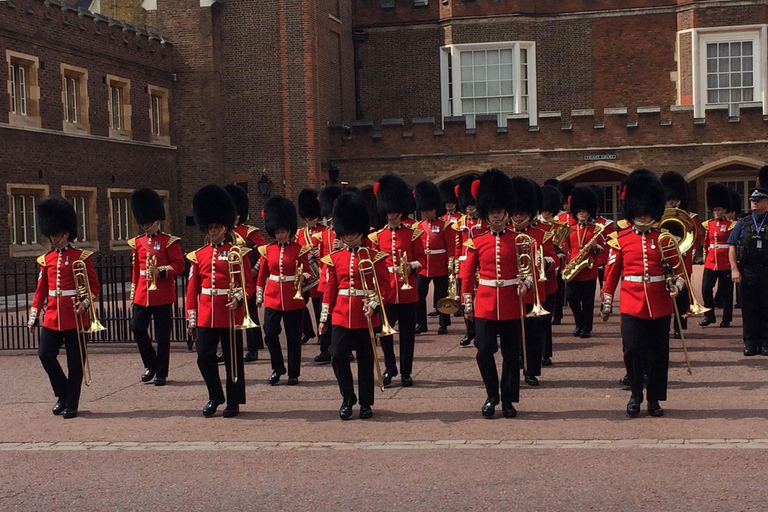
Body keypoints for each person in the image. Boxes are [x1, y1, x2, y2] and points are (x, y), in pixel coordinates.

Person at [602, 169, 684, 417]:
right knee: (632, 348)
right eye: (640, 210)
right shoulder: (621, 239)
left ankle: (654, 398)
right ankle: (636, 394)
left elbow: (679, 272)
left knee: (659, 353)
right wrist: (607, 300)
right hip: (631, 302)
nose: (644, 215)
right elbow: (612, 272)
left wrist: (676, 286)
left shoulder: (665, 239)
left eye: (648, 210)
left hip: (659, 303)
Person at [462, 169, 532, 419]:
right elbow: (468, 276)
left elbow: (529, 271)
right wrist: (467, 304)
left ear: (506, 212)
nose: (497, 216)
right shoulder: (477, 242)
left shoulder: (520, 240)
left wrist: (526, 285)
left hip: (512, 302)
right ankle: (492, 394)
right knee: (484, 350)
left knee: (512, 355)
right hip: (486, 303)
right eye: (492, 212)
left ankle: (508, 398)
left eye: (500, 212)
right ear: (486, 213)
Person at [319, 192, 392, 420]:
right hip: (341, 313)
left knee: (365, 361)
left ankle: (366, 403)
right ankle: (347, 397)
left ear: (361, 233)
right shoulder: (334, 258)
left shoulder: (375, 256)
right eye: (346, 235)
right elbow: (330, 290)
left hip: (366, 316)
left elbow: (384, 286)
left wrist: (374, 306)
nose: (350, 239)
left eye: (354, 235)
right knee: (338, 355)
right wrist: (323, 318)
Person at [28, 197, 101, 419]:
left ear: (66, 233)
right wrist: (33, 315)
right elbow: (41, 290)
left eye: (56, 235)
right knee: (45, 355)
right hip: (52, 316)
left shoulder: (80, 257)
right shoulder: (46, 259)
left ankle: (71, 403)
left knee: (75, 362)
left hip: (75, 316)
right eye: (51, 235)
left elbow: (94, 286)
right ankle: (62, 393)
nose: (52, 238)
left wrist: (85, 304)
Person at [186, 185, 254, 418]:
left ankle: (233, 401)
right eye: (210, 227)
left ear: (225, 227)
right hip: (206, 313)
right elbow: (192, 288)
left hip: (229, 313)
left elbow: (248, 284)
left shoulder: (237, 252)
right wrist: (191, 318)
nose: (212, 231)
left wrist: (238, 298)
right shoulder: (198, 255)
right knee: (204, 356)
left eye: (216, 227)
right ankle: (215, 395)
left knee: (233, 359)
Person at [369, 175, 426, 387]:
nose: (392, 215)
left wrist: (411, 266)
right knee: (384, 331)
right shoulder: (377, 237)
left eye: (395, 212)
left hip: (408, 290)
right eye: (389, 212)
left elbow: (422, 260)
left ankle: (406, 372)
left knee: (407, 336)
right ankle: (390, 367)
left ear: (401, 211)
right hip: (388, 291)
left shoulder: (412, 234)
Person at [128, 188, 185, 386]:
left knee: (162, 335)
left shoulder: (169, 242)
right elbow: (136, 270)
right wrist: (133, 292)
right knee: (136, 328)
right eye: (143, 223)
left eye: (148, 222)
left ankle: (161, 372)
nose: (145, 226)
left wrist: (163, 271)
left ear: (157, 220)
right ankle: (151, 363)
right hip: (143, 293)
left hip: (162, 294)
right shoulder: (137, 242)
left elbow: (179, 265)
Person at [256, 196, 312, 385]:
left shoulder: (299, 250)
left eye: (283, 231)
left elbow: (309, 273)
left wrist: (302, 278)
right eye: (277, 232)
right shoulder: (267, 250)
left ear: (289, 231)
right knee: (270, 332)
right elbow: (262, 275)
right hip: (272, 296)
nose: (280, 235)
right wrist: (259, 294)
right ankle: (277, 367)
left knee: (293, 337)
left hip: (293, 298)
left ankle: (293, 373)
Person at [509, 177, 557, 385]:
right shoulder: (505, 234)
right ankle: (517, 361)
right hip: (511, 289)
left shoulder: (542, 234)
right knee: (513, 332)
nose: (518, 216)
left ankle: (531, 369)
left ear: (529, 213)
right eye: (515, 212)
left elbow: (554, 259)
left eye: (522, 213)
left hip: (534, 289)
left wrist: (544, 261)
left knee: (532, 332)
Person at [224, 184, 267, 362]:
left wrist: (255, 269)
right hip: (229, 279)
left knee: (249, 313)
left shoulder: (249, 232)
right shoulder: (223, 232)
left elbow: (265, 251)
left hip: (246, 276)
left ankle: (253, 348)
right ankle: (228, 347)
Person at [728, 170, 768, 356]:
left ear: (766, 202)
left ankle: (765, 342)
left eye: (758, 200)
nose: (754, 202)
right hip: (748, 271)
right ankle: (750, 343)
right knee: (749, 309)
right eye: (752, 200)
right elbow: (732, 246)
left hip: (766, 271)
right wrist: (735, 269)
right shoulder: (742, 223)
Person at [661, 171, 702, 339]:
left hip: (682, 260)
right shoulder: (660, 216)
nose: (672, 202)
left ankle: (679, 325)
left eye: (675, 200)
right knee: (664, 295)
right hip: (664, 259)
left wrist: (688, 250)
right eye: (669, 199)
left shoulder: (689, 217)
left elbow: (696, 236)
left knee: (682, 295)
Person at [562, 186, 604, 338]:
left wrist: (595, 247)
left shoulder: (595, 228)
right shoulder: (570, 228)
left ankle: (586, 328)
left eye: (585, 212)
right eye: (580, 212)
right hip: (574, 266)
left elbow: (602, 247)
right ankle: (579, 322)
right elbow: (565, 246)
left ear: (589, 213)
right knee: (571, 297)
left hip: (588, 268)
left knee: (588, 301)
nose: (582, 215)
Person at [415, 180, 456, 335]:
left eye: (429, 211)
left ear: (434, 209)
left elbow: (450, 246)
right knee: (419, 294)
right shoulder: (418, 226)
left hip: (440, 265)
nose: (426, 213)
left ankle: (443, 323)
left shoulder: (445, 225)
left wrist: (451, 263)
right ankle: (421, 323)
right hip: (424, 266)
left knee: (441, 295)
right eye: (424, 211)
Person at [454, 174, 488, 347]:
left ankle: (483, 328)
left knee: (481, 297)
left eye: (472, 205)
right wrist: (456, 262)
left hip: (481, 262)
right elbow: (458, 244)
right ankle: (469, 331)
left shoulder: (484, 220)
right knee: (465, 297)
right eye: (467, 205)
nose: (469, 208)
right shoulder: (460, 221)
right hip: (465, 263)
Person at [313, 185, 344, 363]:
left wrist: (344, 247)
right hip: (326, 278)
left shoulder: (345, 234)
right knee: (324, 313)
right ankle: (325, 348)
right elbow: (321, 259)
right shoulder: (324, 235)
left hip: (341, 277)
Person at [699, 183, 735, 328]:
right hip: (711, 261)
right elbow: (706, 243)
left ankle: (726, 318)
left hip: (725, 261)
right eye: (714, 210)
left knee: (727, 293)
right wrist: (704, 256)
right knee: (706, 288)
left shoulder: (731, 225)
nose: (716, 212)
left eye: (719, 210)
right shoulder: (709, 224)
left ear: (724, 210)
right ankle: (709, 315)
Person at [539, 185, 567, 365]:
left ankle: (545, 353)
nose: (546, 214)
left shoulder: (558, 227)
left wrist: (557, 257)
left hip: (548, 278)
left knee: (544, 321)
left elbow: (563, 250)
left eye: (549, 211)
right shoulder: (535, 228)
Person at [296, 188, 328, 347]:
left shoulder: (324, 231)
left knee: (318, 305)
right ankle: (307, 330)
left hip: (318, 272)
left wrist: (318, 252)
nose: (311, 220)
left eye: (314, 217)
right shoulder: (299, 233)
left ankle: (322, 334)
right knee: (299, 302)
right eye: (308, 218)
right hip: (304, 272)